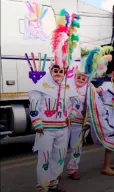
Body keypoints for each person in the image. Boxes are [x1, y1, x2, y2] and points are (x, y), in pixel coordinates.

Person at [29, 24, 80, 192]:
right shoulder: (42, 84)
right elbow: (34, 104)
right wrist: (36, 122)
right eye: (55, 70)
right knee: (44, 157)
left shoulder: (67, 86)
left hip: (62, 128)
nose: (58, 73)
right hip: (45, 129)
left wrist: (71, 114)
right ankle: (42, 186)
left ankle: (53, 182)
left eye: (61, 71)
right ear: (50, 70)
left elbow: (76, 102)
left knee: (58, 157)